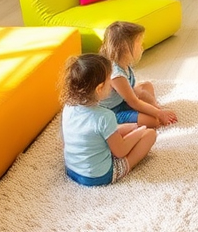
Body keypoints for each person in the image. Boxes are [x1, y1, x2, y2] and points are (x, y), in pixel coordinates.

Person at [61, 52, 156, 186]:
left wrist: (129, 128)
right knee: (149, 135)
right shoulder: (105, 116)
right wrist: (139, 131)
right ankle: (127, 167)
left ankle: (130, 131)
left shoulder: (68, 107)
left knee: (120, 130)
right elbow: (120, 151)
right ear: (99, 88)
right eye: (109, 80)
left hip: (72, 169)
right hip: (98, 176)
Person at [100, 20, 177, 128]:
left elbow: (133, 90)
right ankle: (121, 126)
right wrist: (158, 113)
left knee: (147, 86)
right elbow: (133, 102)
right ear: (125, 47)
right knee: (154, 121)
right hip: (112, 111)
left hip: (123, 101)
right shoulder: (116, 75)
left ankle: (151, 109)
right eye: (139, 43)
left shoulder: (124, 63)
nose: (142, 47)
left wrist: (156, 108)